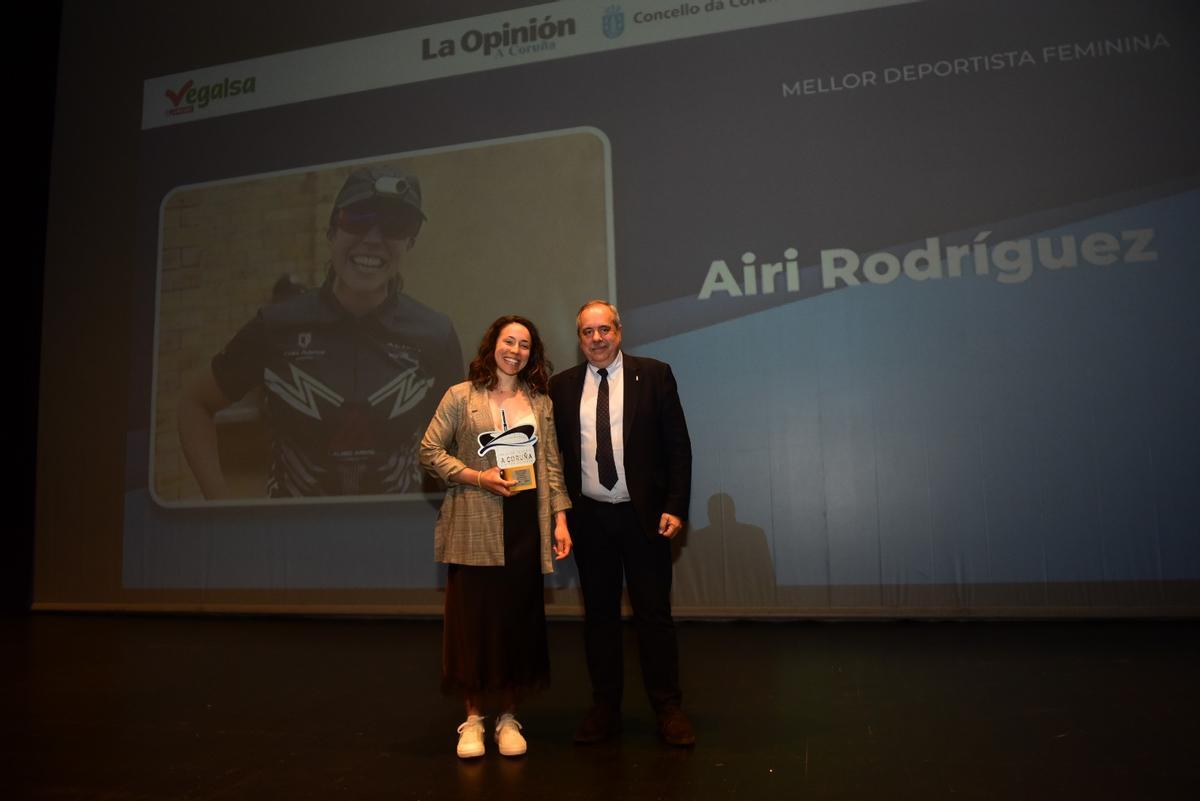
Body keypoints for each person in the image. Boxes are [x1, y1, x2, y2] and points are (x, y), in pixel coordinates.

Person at [178, 166, 462, 498]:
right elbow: (195, 402)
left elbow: (458, 438)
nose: (373, 237)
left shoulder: (434, 335)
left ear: (409, 242)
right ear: (332, 233)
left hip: (393, 534)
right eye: (357, 218)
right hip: (292, 538)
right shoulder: (278, 326)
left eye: (395, 225)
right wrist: (217, 502)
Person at [420, 315, 573, 759]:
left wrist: (561, 519)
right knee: (474, 625)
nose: (516, 350)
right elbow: (429, 451)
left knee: (517, 623)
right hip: (473, 519)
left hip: (526, 524)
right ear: (493, 345)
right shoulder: (460, 396)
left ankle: (508, 716)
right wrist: (475, 476)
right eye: (510, 341)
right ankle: (473, 720)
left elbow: (552, 467)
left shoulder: (540, 402)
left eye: (525, 345)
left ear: (532, 354)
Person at [548, 300, 695, 746]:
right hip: (590, 519)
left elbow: (678, 447)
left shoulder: (654, 374)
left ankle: (668, 708)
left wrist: (675, 504)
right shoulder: (561, 387)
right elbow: (555, 459)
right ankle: (605, 708)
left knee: (654, 615)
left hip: (644, 517)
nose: (596, 338)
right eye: (587, 332)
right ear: (579, 338)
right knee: (600, 619)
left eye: (604, 329)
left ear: (619, 331)